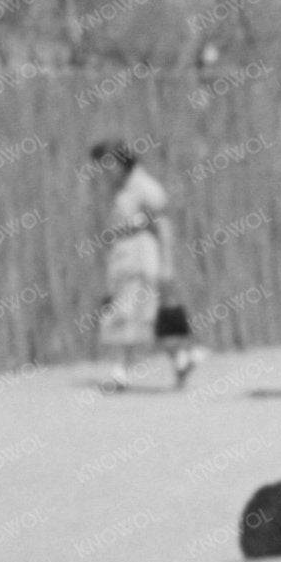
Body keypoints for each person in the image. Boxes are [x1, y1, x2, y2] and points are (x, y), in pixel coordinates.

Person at [91, 138, 197, 389]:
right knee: (138, 316)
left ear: (121, 160)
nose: (105, 170)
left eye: (109, 163)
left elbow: (163, 224)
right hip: (122, 257)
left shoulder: (143, 187)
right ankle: (180, 359)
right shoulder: (119, 188)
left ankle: (120, 373)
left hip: (141, 257)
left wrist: (167, 263)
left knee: (127, 313)